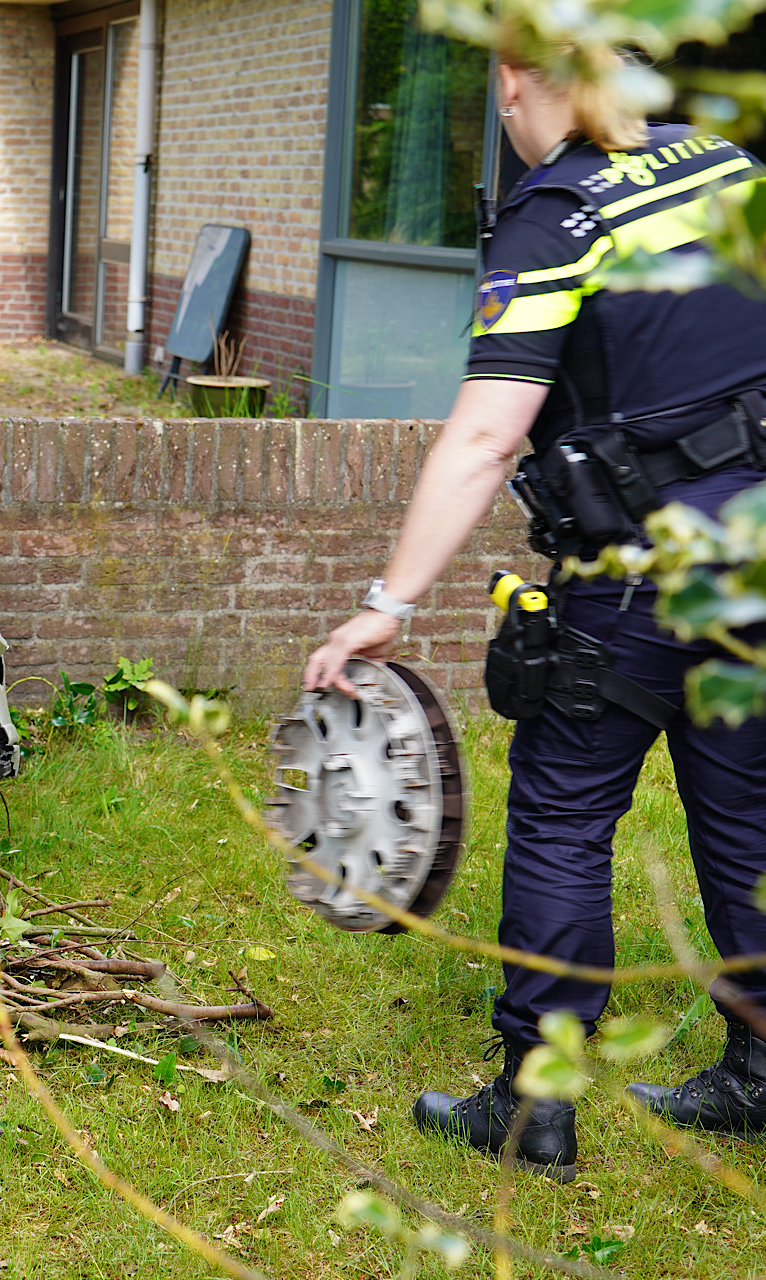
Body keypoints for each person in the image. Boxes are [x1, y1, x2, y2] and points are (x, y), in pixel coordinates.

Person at [303, 37, 766, 1182]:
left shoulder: (555, 214)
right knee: (751, 817)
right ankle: (760, 1067)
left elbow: (488, 432)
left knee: (564, 818)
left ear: (514, 77)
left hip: (636, 585)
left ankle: (533, 1107)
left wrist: (386, 604)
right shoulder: (725, 167)